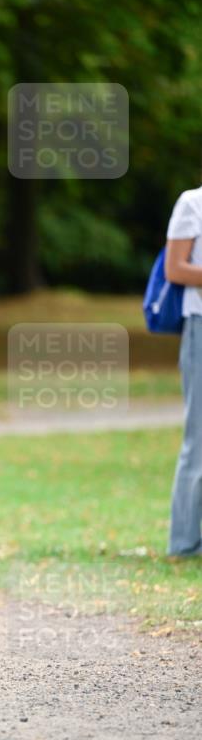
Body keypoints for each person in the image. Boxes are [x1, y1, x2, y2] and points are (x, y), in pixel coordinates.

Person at [164, 184, 202, 557]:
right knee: (199, 438)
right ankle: (186, 544)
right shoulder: (193, 203)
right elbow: (175, 269)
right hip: (200, 327)